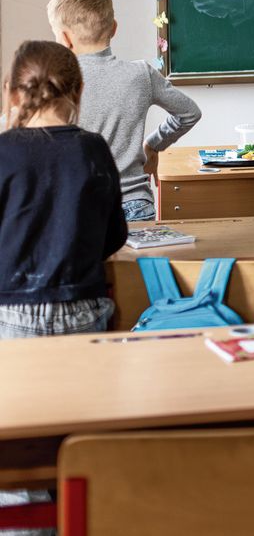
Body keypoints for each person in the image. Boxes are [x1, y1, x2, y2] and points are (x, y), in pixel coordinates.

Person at [0, 40, 127, 536]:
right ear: (79, 89)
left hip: (12, 315)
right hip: (83, 309)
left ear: (12, 92)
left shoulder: (3, 152)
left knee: (19, 438)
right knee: (81, 429)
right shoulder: (92, 148)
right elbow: (114, 235)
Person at [47, 0, 202, 222]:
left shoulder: (51, 80)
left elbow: (11, 127)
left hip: (76, 206)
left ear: (65, 39)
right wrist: (154, 145)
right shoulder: (142, 74)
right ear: (114, 28)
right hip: (134, 204)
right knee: (136, 263)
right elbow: (189, 113)